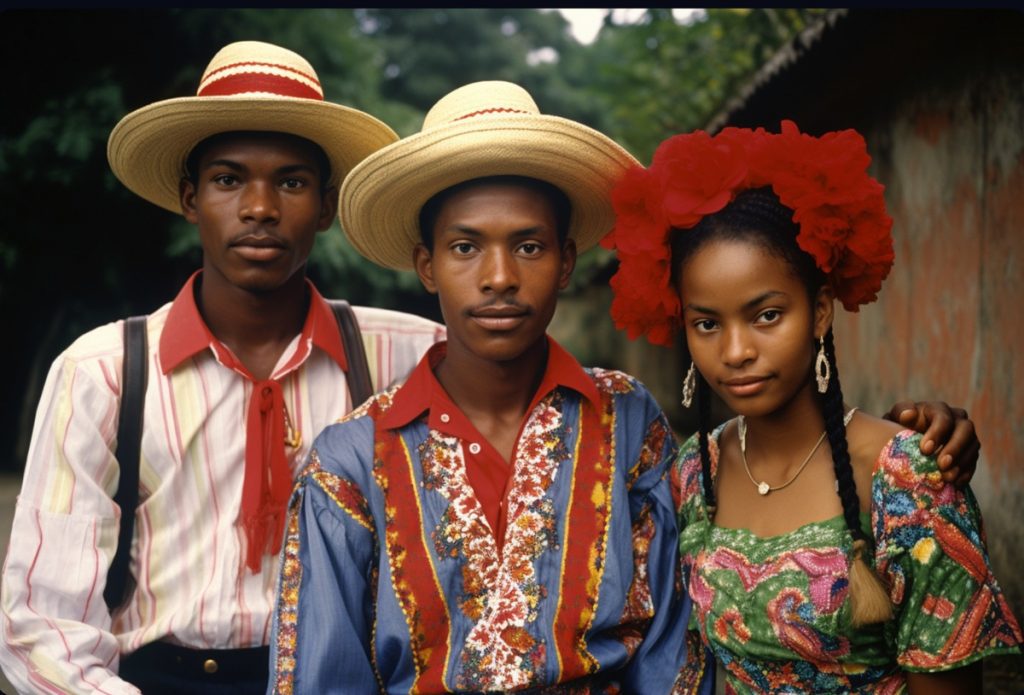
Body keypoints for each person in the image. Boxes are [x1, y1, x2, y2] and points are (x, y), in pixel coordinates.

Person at [0, 41, 444, 695]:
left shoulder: (404, 356)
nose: (259, 207)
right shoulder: (104, 373)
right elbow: (40, 626)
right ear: (190, 198)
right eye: (228, 179)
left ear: (325, 206)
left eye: (291, 182)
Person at [267, 80, 716, 694]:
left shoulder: (627, 419)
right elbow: (324, 680)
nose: (499, 277)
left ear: (565, 261)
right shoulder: (350, 462)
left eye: (528, 246)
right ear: (427, 266)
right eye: (465, 247)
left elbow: (670, 657)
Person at [602, 122, 1023, 692]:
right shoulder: (696, 473)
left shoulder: (907, 478)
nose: (735, 352)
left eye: (767, 315)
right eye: (707, 323)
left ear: (820, 311)